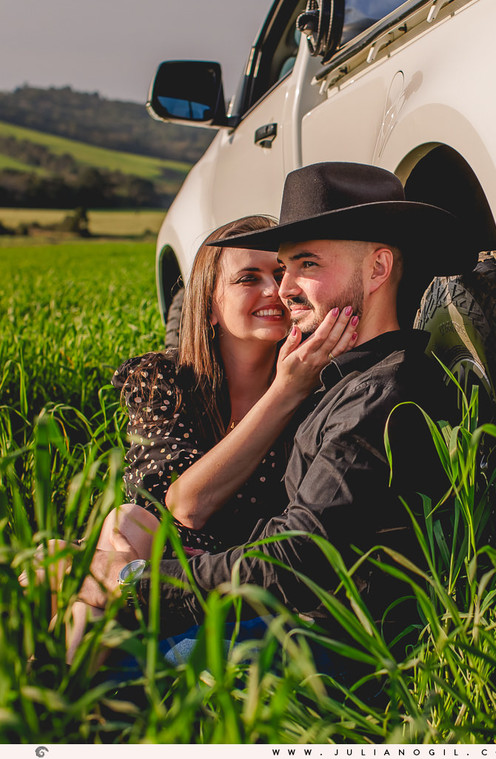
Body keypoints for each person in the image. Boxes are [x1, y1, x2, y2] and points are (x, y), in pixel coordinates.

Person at [46, 162, 467, 668]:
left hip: (310, 640)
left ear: (378, 269)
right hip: (269, 608)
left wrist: (130, 583)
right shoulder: (336, 382)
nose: (283, 289)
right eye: (281, 268)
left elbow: (294, 557)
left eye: (305, 265)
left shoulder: (380, 393)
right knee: (70, 586)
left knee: (90, 630)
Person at [58, 214, 357, 663]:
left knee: (100, 556)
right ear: (210, 306)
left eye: (279, 274)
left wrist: (293, 387)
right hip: (154, 560)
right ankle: (54, 679)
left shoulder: (317, 387)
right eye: (247, 278)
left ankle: (57, 680)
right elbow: (181, 505)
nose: (274, 291)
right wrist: (283, 392)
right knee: (128, 522)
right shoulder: (166, 382)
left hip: (236, 576)